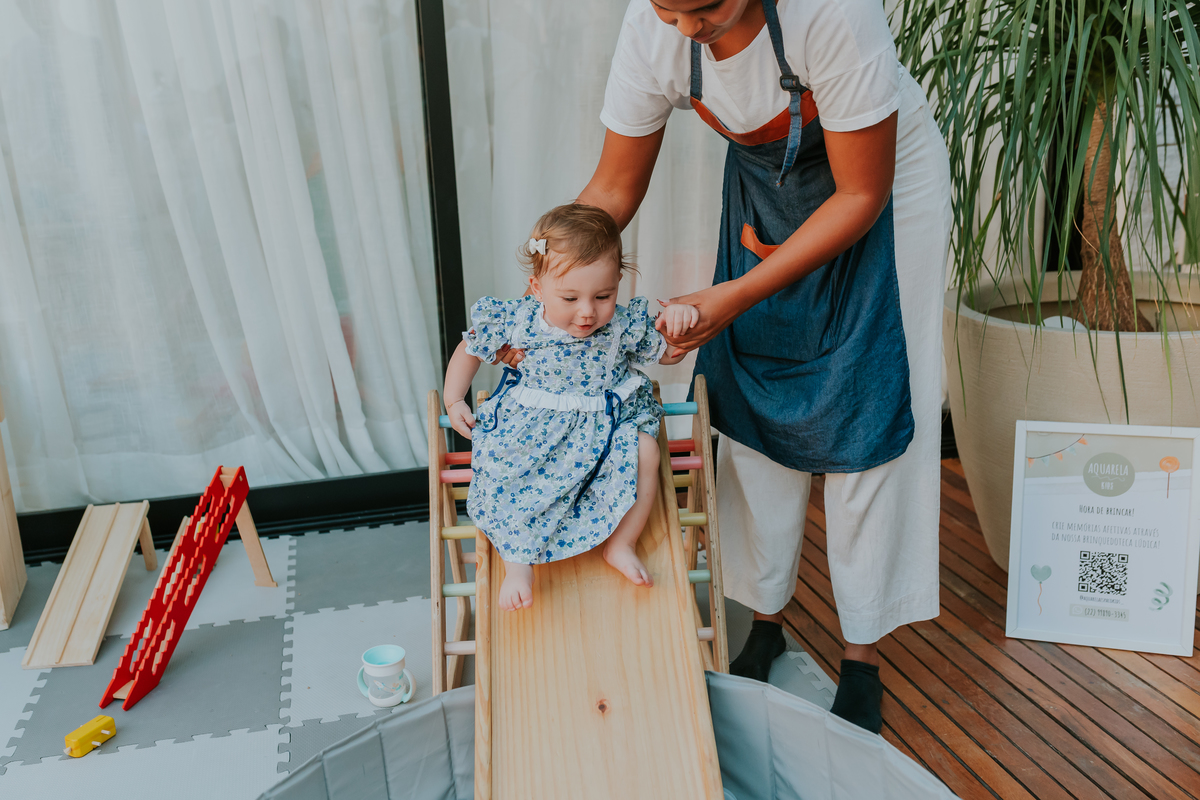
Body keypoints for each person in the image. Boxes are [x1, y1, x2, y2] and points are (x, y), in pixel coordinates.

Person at [568, 0, 952, 733]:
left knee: (869, 397)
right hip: (766, 187)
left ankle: (862, 652)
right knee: (749, 391)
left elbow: (861, 194)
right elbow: (613, 189)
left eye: (704, 7)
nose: (685, 29)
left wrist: (734, 294)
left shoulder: (832, 13)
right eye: (668, 8)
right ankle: (767, 616)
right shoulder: (656, 26)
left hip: (884, 191)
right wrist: (544, 292)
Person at [442, 203, 699, 611]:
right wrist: (455, 396)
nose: (587, 311)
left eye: (603, 295)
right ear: (537, 287)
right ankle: (518, 563)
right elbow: (471, 347)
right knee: (506, 471)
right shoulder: (520, 320)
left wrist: (681, 321)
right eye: (570, 297)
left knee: (646, 451)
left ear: (618, 283)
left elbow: (667, 353)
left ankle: (622, 543)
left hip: (607, 423)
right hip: (536, 423)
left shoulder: (621, 324)